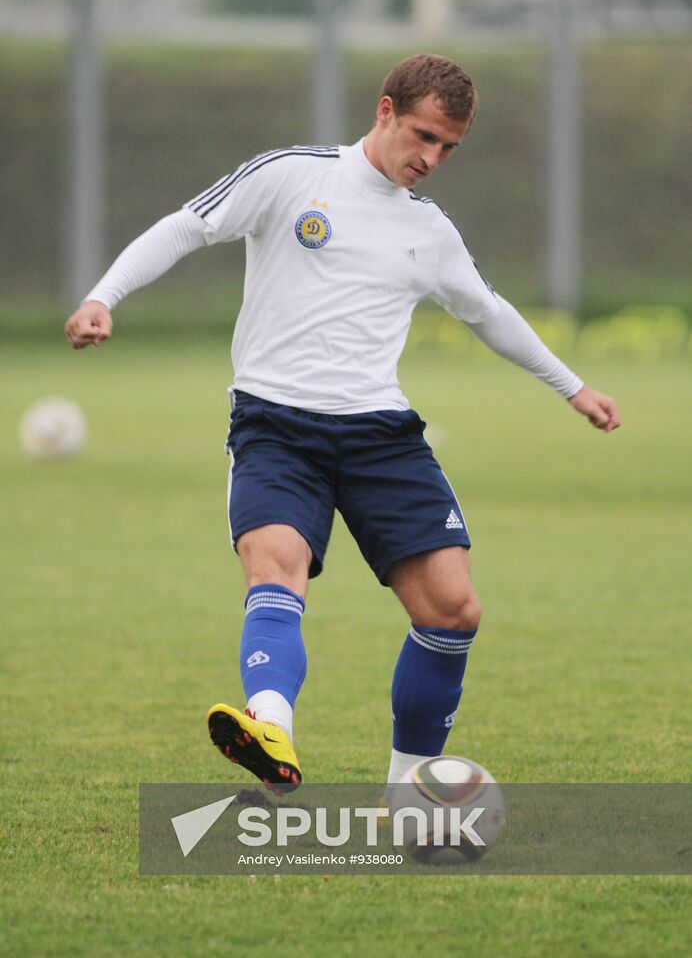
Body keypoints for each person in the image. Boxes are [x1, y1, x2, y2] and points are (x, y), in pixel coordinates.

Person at [65, 54, 620, 795]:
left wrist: (571, 386)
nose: (431, 159)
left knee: (453, 609)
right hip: (274, 423)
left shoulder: (430, 231)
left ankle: (411, 784)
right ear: (385, 111)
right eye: (423, 136)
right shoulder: (292, 175)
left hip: (380, 434)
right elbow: (185, 228)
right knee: (275, 568)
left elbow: (488, 312)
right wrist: (105, 296)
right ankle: (270, 731)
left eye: (448, 148)